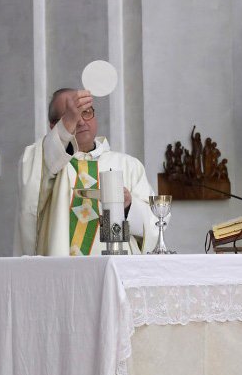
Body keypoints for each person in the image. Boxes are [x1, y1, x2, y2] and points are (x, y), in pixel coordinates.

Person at [15, 88, 156, 256]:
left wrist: (128, 206)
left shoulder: (128, 165)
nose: (81, 121)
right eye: (71, 115)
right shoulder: (43, 161)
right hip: (61, 267)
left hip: (115, 267)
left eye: (86, 112)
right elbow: (34, 187)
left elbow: (155, 223)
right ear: (54, 126)